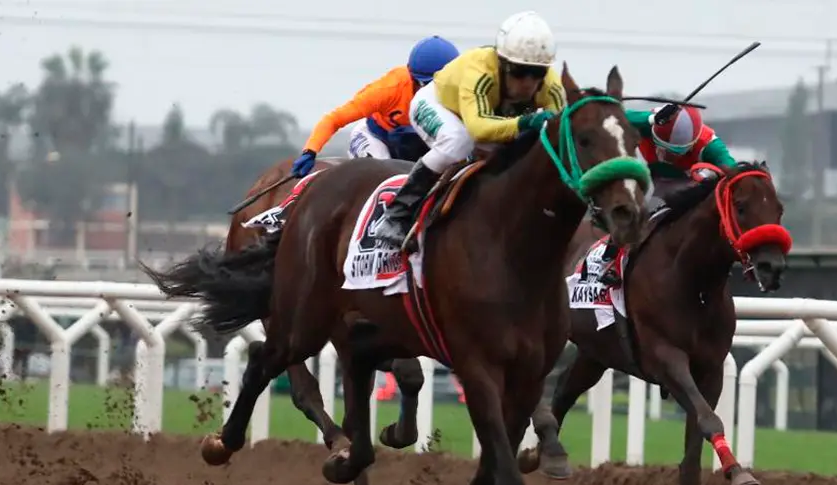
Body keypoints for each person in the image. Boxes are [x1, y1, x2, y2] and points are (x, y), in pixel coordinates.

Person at [370, 10, 566, 249]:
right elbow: (479, 129)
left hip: (485, 116)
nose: (528, 83)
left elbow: (558, 140)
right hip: (438, 104)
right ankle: (397, 215)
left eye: (537, 73)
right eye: (518, 71)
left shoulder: (553, 88)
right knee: (457, 142)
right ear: (502, 64)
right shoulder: (480, 71)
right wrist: (524, 123)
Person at [248, 35, 460, 231]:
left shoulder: (462, 90)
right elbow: (334, 119)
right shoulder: (388, 89)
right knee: (387, 179)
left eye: (441, 85)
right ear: (412, 78)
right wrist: (310, 151)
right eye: (427, 85)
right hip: (377, 139)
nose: (433, 93)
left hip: (420, 144)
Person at [592, 103, 738, 287]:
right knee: (632, 205)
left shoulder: (709, 144)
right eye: (661, 147)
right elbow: (612, 117)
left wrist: (713, 173)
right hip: (648, 175)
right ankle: (609, 262)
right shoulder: (652, 121)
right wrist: (650, 119)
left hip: (687, 183)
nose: (665, 155)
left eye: (675, 152)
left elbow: (735, 173)